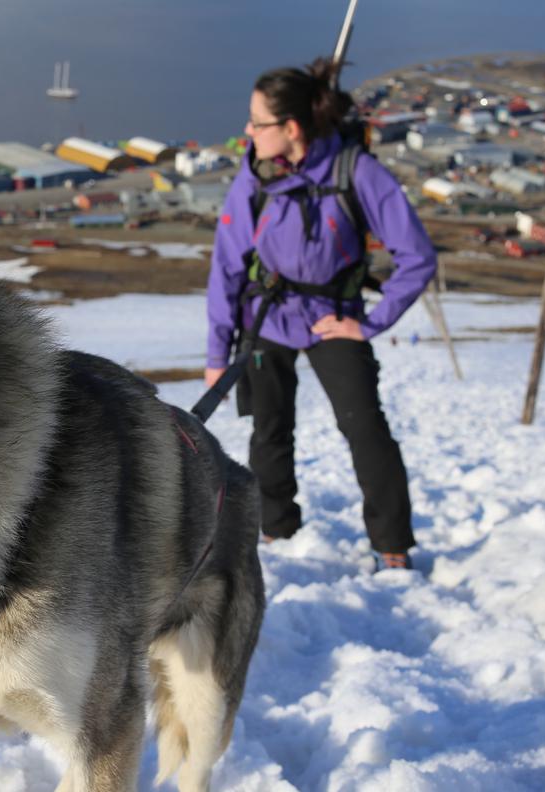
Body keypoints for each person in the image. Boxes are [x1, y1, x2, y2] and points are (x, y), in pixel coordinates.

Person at [204, 58, 437, 571]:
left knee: (364, 427)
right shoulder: (253, 176)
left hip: (335, 315)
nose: (247, 131)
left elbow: (417, 256)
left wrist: (370, 324)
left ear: (290, 129)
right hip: (266, 315)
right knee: (269, 429)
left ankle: (392, 547)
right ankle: (277, 535)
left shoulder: (356, 171)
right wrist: (218, 351)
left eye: (257, 122)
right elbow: (227, 264)